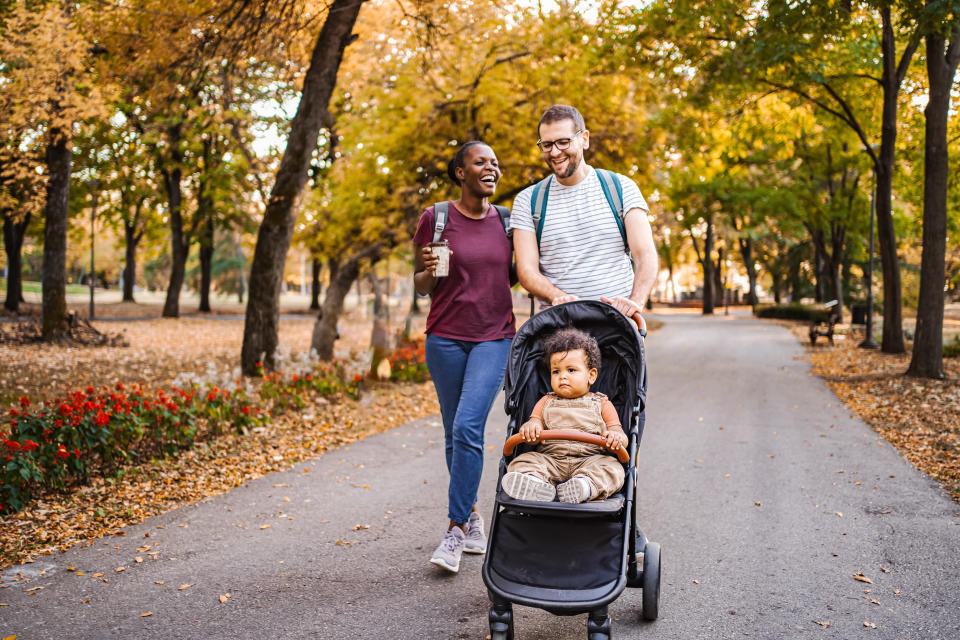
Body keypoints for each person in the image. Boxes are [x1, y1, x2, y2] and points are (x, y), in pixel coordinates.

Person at [413, 141, 516, 573]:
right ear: (461, 172)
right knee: (454, 435)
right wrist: (433, 269)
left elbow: (521, 276)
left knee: (468, 424)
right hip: (445, 338)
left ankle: (454, 530)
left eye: (495, 162)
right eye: (481, 163)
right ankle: (473, 518)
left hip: (494, 337)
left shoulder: (510, 222)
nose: (491, 168)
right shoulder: (435, 218)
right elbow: (421, 286)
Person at [511, 104, 658, 320]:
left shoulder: (621, 187)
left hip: (617, 325)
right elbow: (526, 271)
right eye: (547, 144)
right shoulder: (528, 201)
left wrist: (635, 302)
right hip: (559, 324)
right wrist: (559, 297)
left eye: (563, 142)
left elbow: (645, 254)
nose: (555, 152)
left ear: (584, 139)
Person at [501, 327, 627, 503]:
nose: (562, 377)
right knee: (524, 460)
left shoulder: (602, 404)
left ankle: (584, 486)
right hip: (551, 459)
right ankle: (535, 483)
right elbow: (533, 423)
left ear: (591, 376)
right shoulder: (545, 401)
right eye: (556, 371)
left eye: (571, 370)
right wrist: (531, 429)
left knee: (612, 468)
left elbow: (619, 434)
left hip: (589, 460)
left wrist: (615, 437)